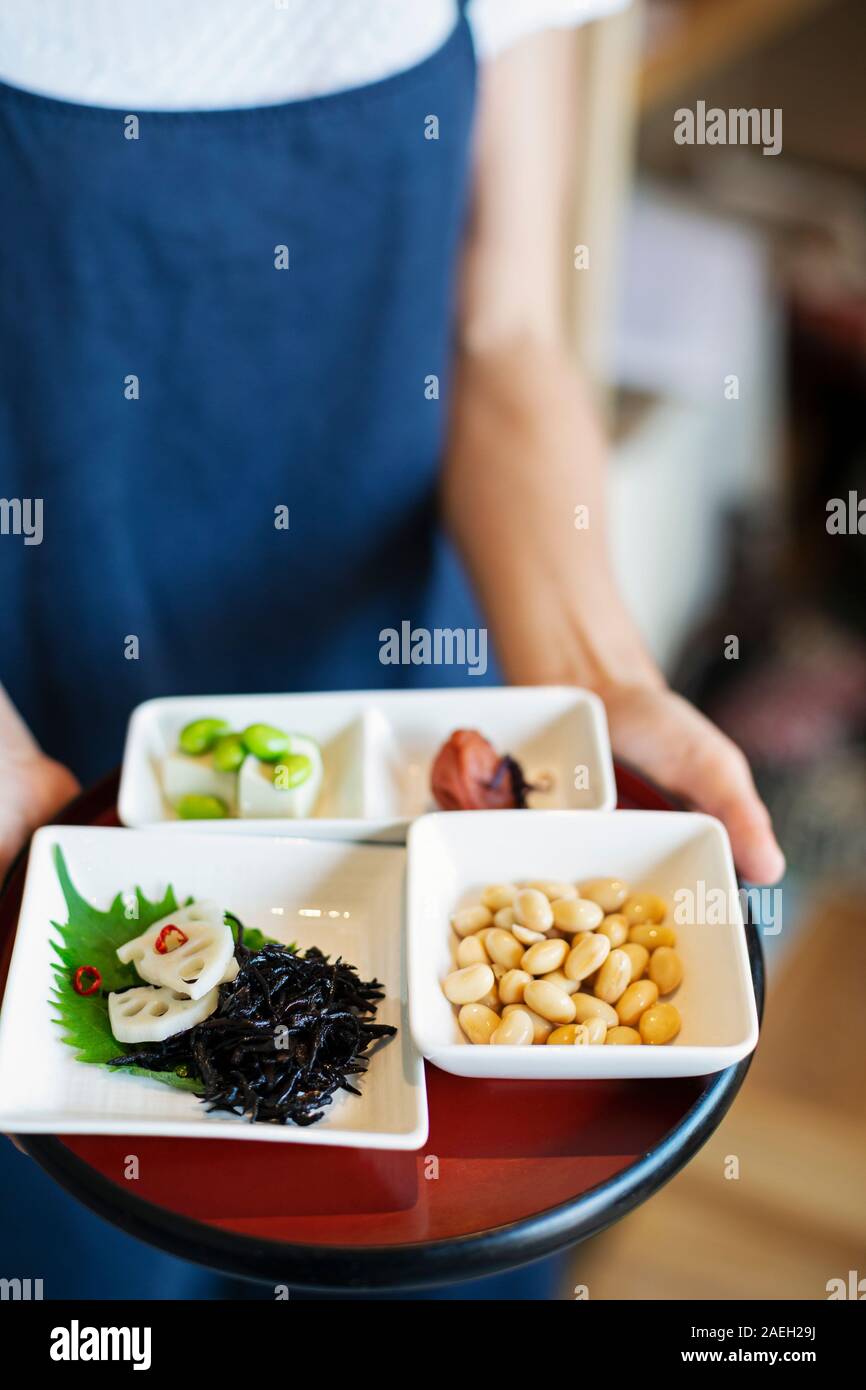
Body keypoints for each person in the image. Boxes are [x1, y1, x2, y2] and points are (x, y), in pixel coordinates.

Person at [0, 0, 784, 1300]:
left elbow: (502, 336)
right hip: (37, 723)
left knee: (435, 1238)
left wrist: (600, 683)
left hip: (406, 719)